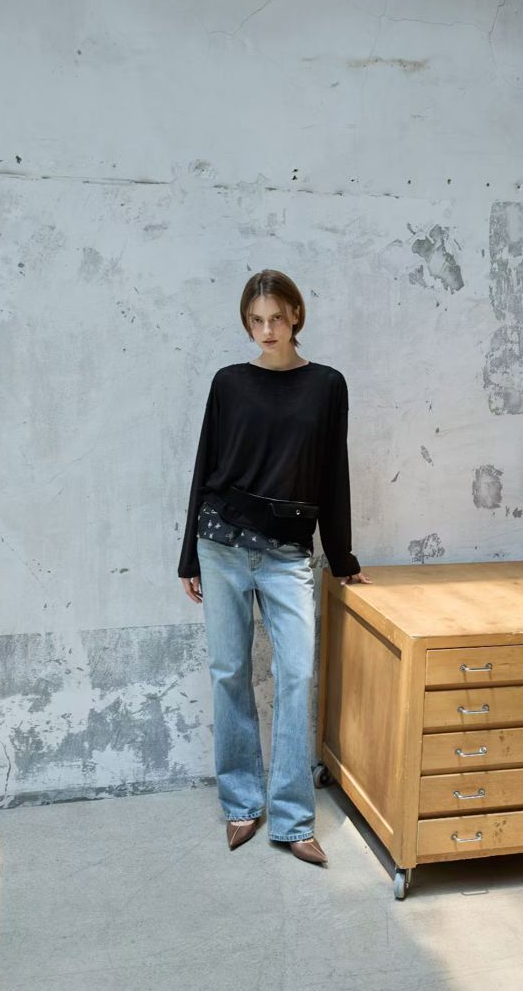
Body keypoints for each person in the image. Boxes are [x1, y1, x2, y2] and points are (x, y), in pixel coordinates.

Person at [178, 268, 372, 866]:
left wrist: (342, 557)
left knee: (295, 674)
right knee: (229, 671)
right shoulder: (229, 383)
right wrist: (188, 556)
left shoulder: (326, 385)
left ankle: (292, 819)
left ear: (296, 317)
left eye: (277, 319)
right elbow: (205, 466)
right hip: (221, 545)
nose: (267, 330)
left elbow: (333, 475)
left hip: (288, 553)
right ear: (247, 322)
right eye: (256, 320)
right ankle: (241, 804)